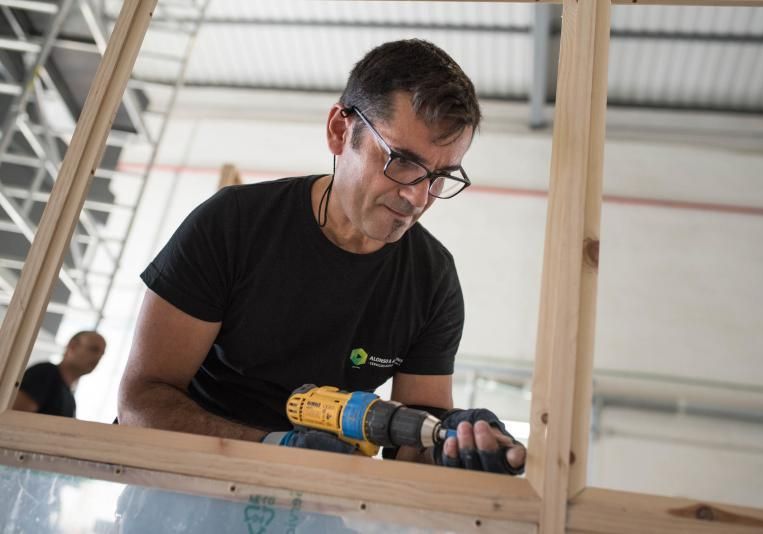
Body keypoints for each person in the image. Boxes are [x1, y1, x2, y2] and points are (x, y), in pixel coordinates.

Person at [118, 39, 526, 475]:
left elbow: (415, 442)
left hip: (315, 497)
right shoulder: (234, 224)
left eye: (440, 176)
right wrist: (270, 448)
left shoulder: (433, 281)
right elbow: (141, 400)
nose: (417, 197)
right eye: (402, 161)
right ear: (339, 130)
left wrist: (455, 443)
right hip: (176, 480)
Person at [13, 330, 106, 417]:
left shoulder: (71, 400)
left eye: (102, 353)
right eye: (94, 349)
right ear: (72, 346)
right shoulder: (45, 372)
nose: (98, 357)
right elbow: (15, 417)